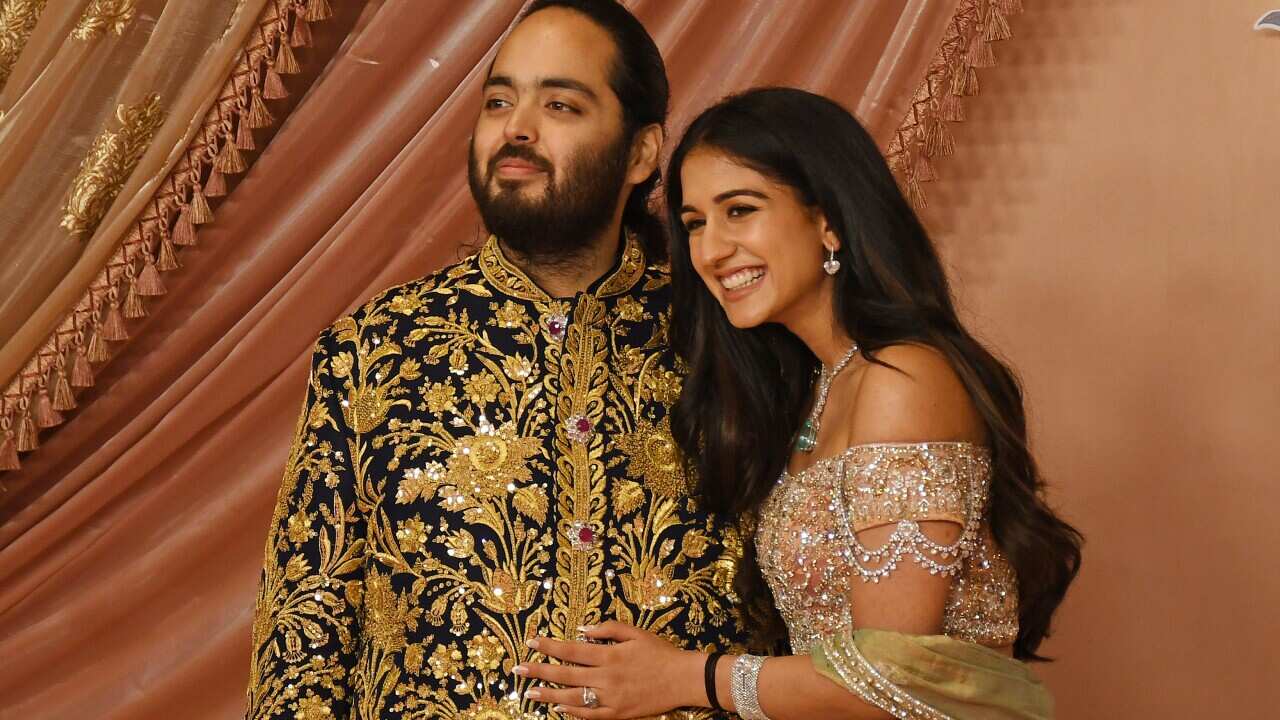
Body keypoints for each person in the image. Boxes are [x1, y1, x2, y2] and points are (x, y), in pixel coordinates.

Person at [245, 3, 758, 718]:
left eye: (560, 103)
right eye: (498, 101)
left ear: (641, 154)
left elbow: (807, 610)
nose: (517, 126)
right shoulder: (375, 348)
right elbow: (303, 644)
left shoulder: (728, 338)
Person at [515, 87, 1083, 719]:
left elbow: (892, 674)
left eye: (740, 210)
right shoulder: (823, 386)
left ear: (828, 219)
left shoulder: (904, 378)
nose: (710, 251)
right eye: (695, 223)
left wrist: (688, 679)